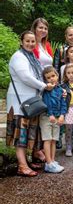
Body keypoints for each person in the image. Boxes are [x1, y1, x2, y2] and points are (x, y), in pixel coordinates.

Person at [6, 31, 54, 177]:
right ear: (21, 41)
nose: (30, 44)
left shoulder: (32, 57)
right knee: (20, 134)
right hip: (19, 101)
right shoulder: (18, 57)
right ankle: (22, 165)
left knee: (29, 133)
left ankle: (30, 160)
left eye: (33, 41)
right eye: (27, 41)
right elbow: (26, 77)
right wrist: (43, 86)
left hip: (31, 100)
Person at [40, 66, 67, 173]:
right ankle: (48, 162)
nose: (51, 79)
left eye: (53, 76)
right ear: (45, 80)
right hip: (47, 117)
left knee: (54, 140)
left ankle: (53, 160)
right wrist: (50, 114)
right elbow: (46, 103)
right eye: (48, 78)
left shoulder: (61, 90)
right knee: (47, 139)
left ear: (57, 75)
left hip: (57, 117)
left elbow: (63, 104)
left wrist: (62, 115)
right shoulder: (46, 90)